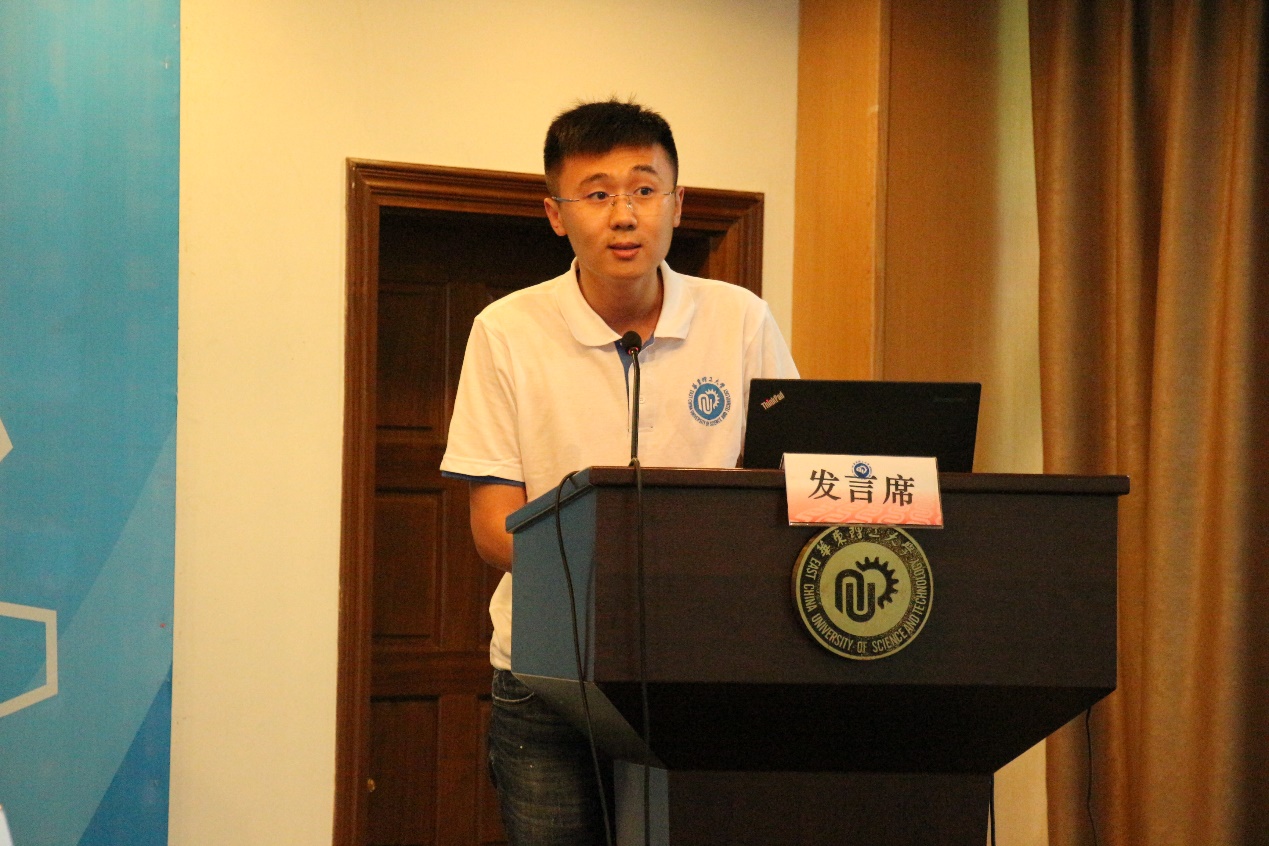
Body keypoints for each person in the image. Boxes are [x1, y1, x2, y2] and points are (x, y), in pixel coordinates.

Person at [440, 98, 798, 845]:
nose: (625, 215)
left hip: (703, 666)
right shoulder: (505, 331)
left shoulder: (740, 320)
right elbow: (493, 526)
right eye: (597, 194)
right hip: (547, 673)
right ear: (556, 214)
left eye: (643, 189)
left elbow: (785, 488)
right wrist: (620, 572)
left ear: (677, 203)